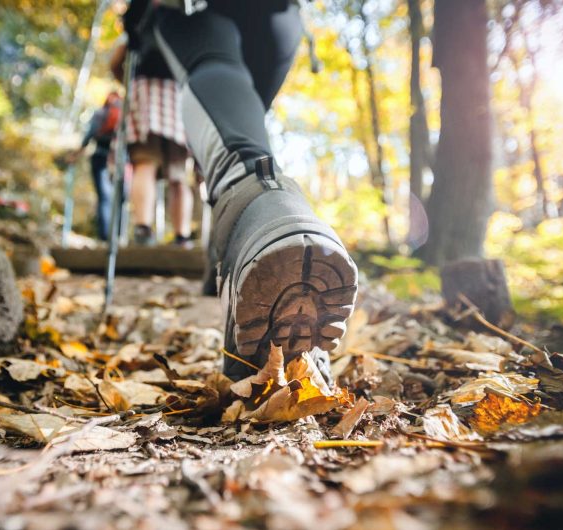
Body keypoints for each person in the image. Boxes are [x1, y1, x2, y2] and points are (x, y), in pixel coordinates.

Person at [124, 0, 359, 384]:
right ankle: (239, 240)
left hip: (192, 12)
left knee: (217, 76)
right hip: (278, 20)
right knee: (237, 118)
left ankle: (258, 210)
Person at [110, 39, 194, 247]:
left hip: (144, 92)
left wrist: (130, 84)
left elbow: (116, 61)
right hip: (180, 97)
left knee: (145, 164)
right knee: (178, 175)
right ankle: (181, 236)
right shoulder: (190, 18)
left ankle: (143, 228)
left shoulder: (143, 17)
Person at [69, 92, 121, 241]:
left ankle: (105, 236)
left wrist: (75, 155)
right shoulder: (125, 113)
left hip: (100, 156)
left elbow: (89, 136)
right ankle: (118, 235)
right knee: (119, 199)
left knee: (104, 198)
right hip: (120, 160)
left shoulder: (100, 113)